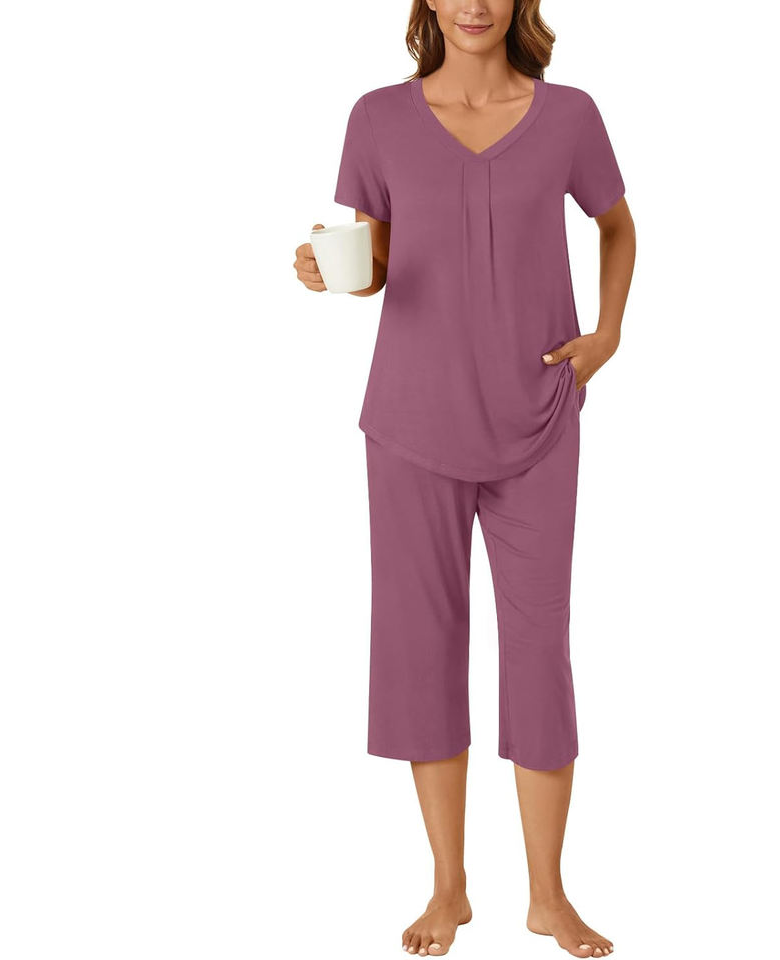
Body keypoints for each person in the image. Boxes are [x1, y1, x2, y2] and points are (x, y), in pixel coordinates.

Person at [294, 1, 636, 956]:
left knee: (539, 652)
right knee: (421, 650)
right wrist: (333, 274)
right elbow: (378, 259)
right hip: (411, 423)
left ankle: (548, 896)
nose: (475, 3)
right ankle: (448, 887)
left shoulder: (569, 115)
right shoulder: (376, 117)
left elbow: (617, 226)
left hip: (539, 419)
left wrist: (607, 335)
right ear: (429, 3)